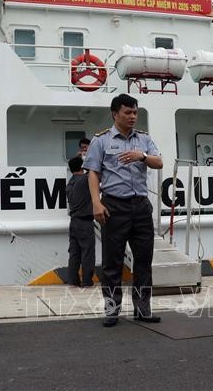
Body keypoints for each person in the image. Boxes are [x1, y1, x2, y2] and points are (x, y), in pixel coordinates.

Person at [83, 94, 164, 327]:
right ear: (115, 113)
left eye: (135, 113)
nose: (132, 117)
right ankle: (112, 310)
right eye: (127, 112)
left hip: (140, 206)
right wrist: (96, 203)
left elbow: (159, 163)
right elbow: (93, 172)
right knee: (112, 262)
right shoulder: (101, 141)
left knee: (143, 260)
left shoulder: (144, 140)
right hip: (113, 206)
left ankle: (142, 308)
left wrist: (143, 156)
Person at [66, 155, 96, 287]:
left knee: (74, 253)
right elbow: (95, 172)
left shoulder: (70, 183)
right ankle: (87, 281)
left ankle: (73, 280)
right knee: (87, 253)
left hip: (73, 222)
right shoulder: (84, 179)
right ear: (81, 167)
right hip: (85, 222)